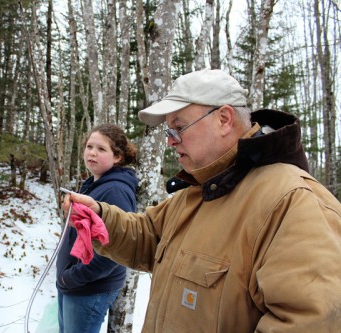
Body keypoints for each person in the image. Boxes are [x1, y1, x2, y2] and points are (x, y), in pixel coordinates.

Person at [63, 69, 341, 332]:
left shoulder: (294, 203)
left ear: (224, 119)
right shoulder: (197, 192)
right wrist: (99, 216)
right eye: (168, 132)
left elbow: (311, 321)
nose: (171, 141)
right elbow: (148, 236)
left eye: (178, 127)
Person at [56, 124, 138, 333]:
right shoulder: (94, 183)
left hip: (88, 288)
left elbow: (114, 250)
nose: (92, 152)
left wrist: (74, 277)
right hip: (75, 285)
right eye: (89, 146)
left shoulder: (115, 190)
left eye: (101, 149)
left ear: (117, 156)